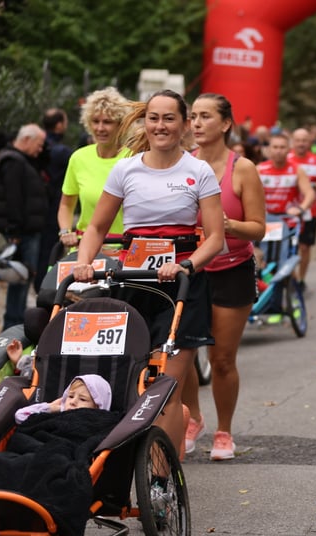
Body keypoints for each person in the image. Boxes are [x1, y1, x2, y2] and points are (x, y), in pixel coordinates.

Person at [71, 89, 225, 457]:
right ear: (145, 123)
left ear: (184, 124)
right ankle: (130, 455)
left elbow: (216, 238)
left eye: (169, 118)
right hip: (134, 282)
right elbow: (95, 228)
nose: (160, 126)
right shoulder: (127, 168)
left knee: (166, 387)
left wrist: (186, 264)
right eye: (153, 118)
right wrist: (84, 261)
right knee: (132, 379)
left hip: (183, 285)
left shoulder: (197, 170)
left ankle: (162, 475)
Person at [179, 93, 266, 461]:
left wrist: (225, 225)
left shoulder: (242, 168)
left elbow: (259, 228)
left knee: (222, 360)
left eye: (205, 117)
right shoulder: (183, 164)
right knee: (180, 355)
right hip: (191, 270)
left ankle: (224, 431)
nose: (196, 124)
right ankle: (192, 419)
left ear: (225, 124)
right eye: (193, 117)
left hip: (232, 270)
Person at [58, 87, 132, 250]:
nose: (100, 128)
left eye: (107, 122)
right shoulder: (79, 158)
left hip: (124, 250)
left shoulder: (134, 159)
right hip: (84, 248)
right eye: (95, 121)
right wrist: (65, 231)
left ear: (121, 124)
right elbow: (66, 205)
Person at [0, 123, 48, 330]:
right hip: (22, 233)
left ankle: (14, 324)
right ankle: (13, 327)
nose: (40, 149)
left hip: (24, 231)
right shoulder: (14, 162)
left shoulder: (19, 159)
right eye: (39, 144)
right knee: (20, 280)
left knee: (20, 281)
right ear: (26, 140)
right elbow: (13, 199)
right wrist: (15, 232)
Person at [287, 128, 316, 288]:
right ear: (292, 142)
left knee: (304, 248)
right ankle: (290, 277)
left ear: (309, 143)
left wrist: (310, 185)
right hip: (287, 212)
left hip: (309, 212)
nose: (301, 144)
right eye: (298, 140)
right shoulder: (287, 158)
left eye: (304, 140)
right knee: (288, 247)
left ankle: (300, 279)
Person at [35, 108, 73, 291]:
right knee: (49, 252)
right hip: (54, 208)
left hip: (39, 208)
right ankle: (45, 287)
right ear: (59, 125)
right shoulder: (62, 152)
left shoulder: (40, 148)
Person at [14, 374, 112, 424]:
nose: (73, 402)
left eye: (83, 399)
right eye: (70, 396)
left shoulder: (97, 424)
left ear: (98, 407)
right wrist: (50, 407)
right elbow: (20, 416)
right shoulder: (58, 414)